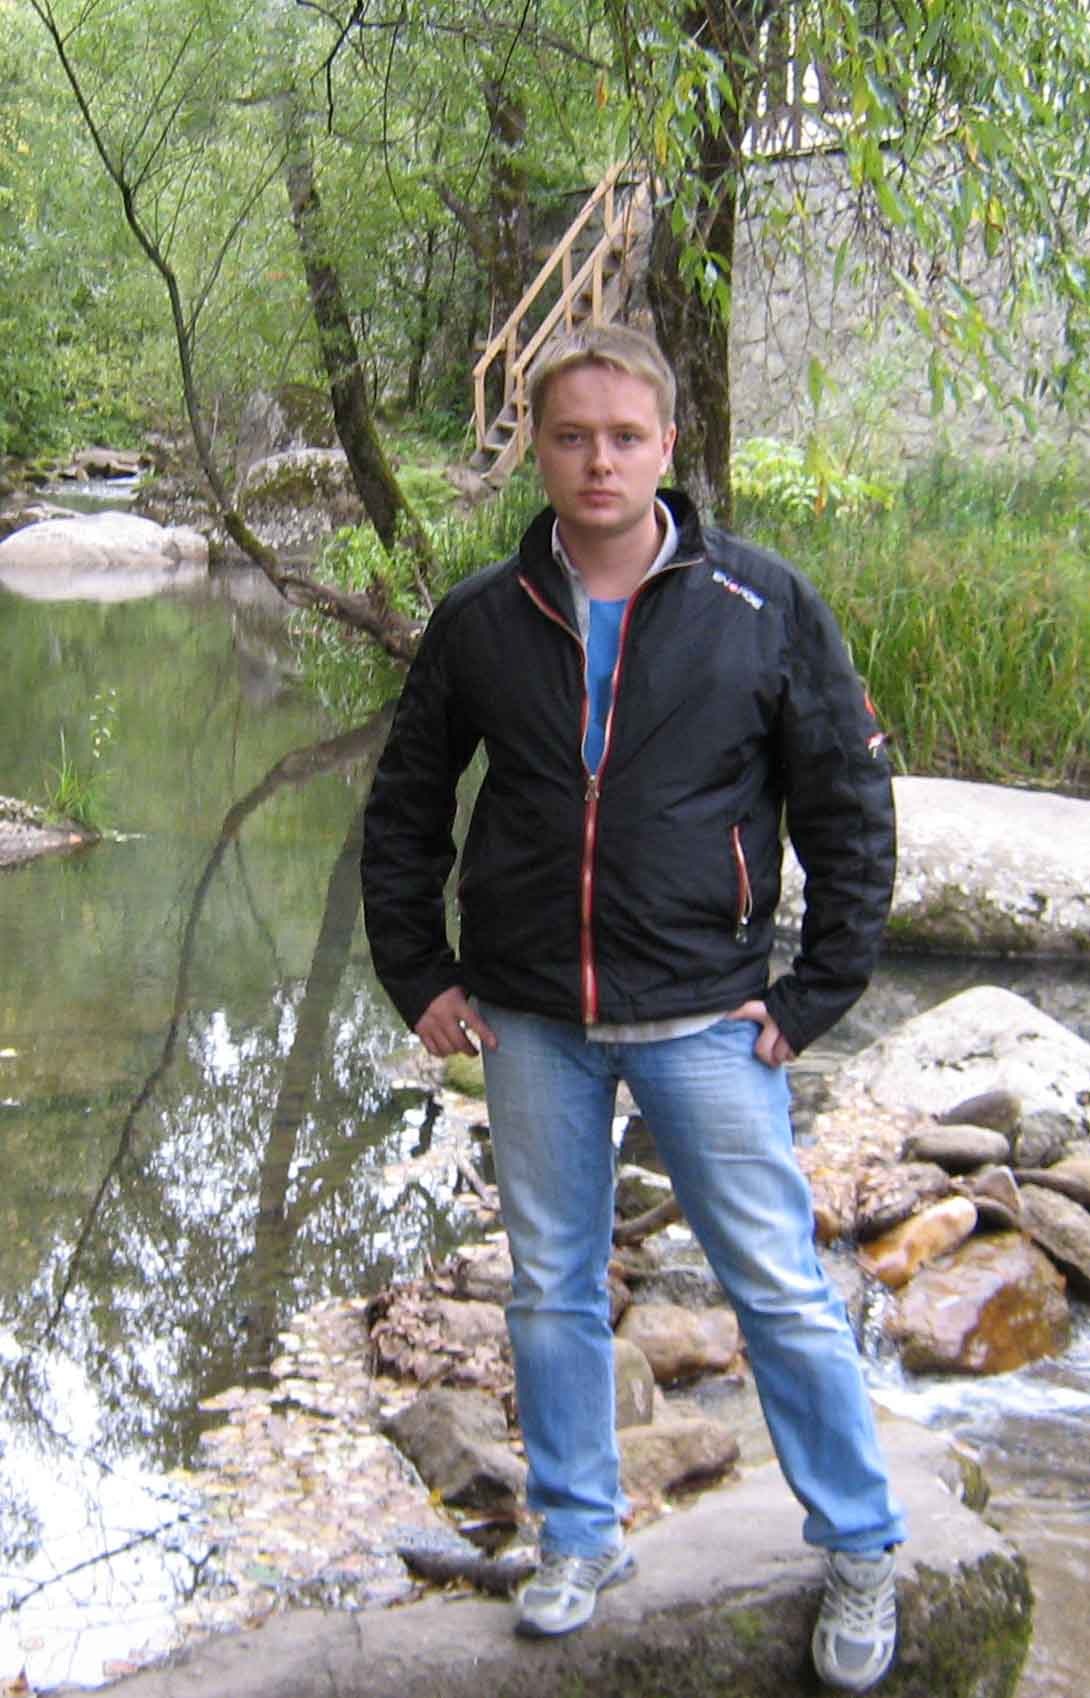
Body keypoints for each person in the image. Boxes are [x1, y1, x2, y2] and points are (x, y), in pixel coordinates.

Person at [362, 325, 905, 1692]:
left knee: (777, 1287)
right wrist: (418, 970)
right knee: (550, 1285)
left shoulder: (760, 604)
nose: (596, 460)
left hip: (705, 1016)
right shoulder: (484, 617)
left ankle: (860, 1546)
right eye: (570, 436)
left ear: (667, 444)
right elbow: (408, 804)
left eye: (622, 436)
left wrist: (817, 990)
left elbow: (847, 801)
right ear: (538, 452)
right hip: (529, 1016)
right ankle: (577, 1537)